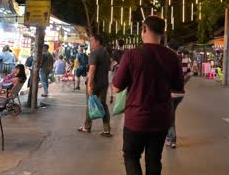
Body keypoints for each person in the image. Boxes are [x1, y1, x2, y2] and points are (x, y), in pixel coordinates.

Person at [113, 16, 184, 175]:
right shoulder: (172, 57)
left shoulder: (131, 55)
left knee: (131, 157)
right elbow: (178, 89)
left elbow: (117, 87)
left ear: (144, 29)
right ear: (162, 33)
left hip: (136, 119)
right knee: (154, 160)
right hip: (161, 119)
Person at [78, 34, 111, 136]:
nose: (90, 43)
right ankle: (106, 129)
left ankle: (87, 127)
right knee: (103, 105)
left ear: (97, 41)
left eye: (92, 41)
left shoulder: (94, 53)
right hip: (104, 83)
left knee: (90, 104)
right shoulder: (106, 53)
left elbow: (92, 70)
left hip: (95, 83)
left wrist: (89, 85)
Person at [165, 41, 190, 149]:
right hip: (180, 93)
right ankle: (168, 136)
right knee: (170, 114)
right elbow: (190, 74)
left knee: (170, 116)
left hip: (170, 93)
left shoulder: (168, 59)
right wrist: (182, 83)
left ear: (170, 48)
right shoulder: (184, 59)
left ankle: (172, 139)